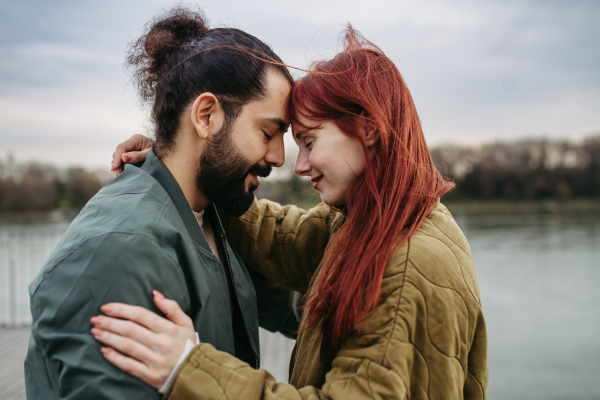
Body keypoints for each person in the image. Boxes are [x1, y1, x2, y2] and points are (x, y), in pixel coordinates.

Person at [99, 26, 488, 400]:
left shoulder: (408, 266)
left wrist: (189, 369)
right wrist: (191, 161)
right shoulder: (368, 221)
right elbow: (277, 236)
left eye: (309, 141)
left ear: (367, 127)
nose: (297, 165)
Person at [24, 7, 301, 400]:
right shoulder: (115, 249)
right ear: (205, 116)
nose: (278, 156)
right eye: (269, 131)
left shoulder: (213, 214)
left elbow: (301, 306)